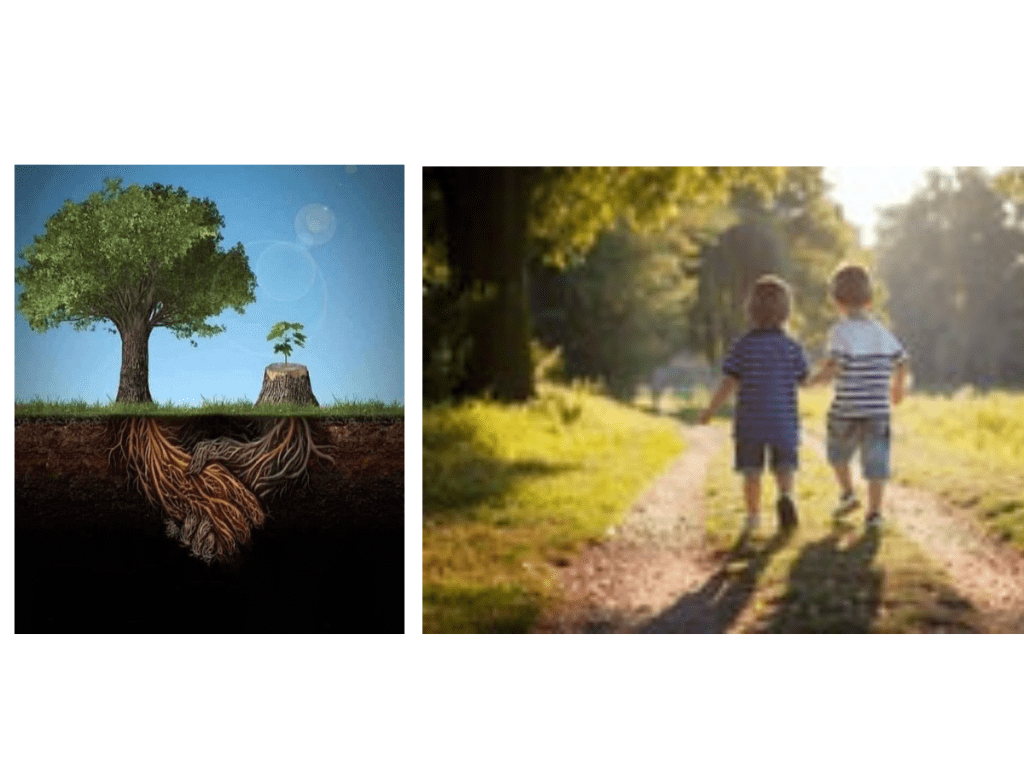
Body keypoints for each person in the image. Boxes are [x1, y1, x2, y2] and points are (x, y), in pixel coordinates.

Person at [699, 275, 809, 535]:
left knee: (751, 472)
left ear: (751, 310)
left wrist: (711, 410)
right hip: (783, 421)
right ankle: (786, 496)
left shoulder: (743, 346)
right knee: (785, 466)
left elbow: (729, 382)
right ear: (786, 311)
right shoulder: (792, 347)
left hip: (750, 422)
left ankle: (753, 517)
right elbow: (804, 379)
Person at [807, 263, 909, 529]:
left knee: (837, 452)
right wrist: (897, 388)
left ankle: (848, 493)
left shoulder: (840, 331)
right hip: (877, 409)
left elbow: (835, 366)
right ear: (870, 300)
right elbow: (902, 360)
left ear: (836, 302)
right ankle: (874, 514)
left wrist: (813, 380)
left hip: (847, 409)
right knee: (877, 461)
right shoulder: (882, 331)